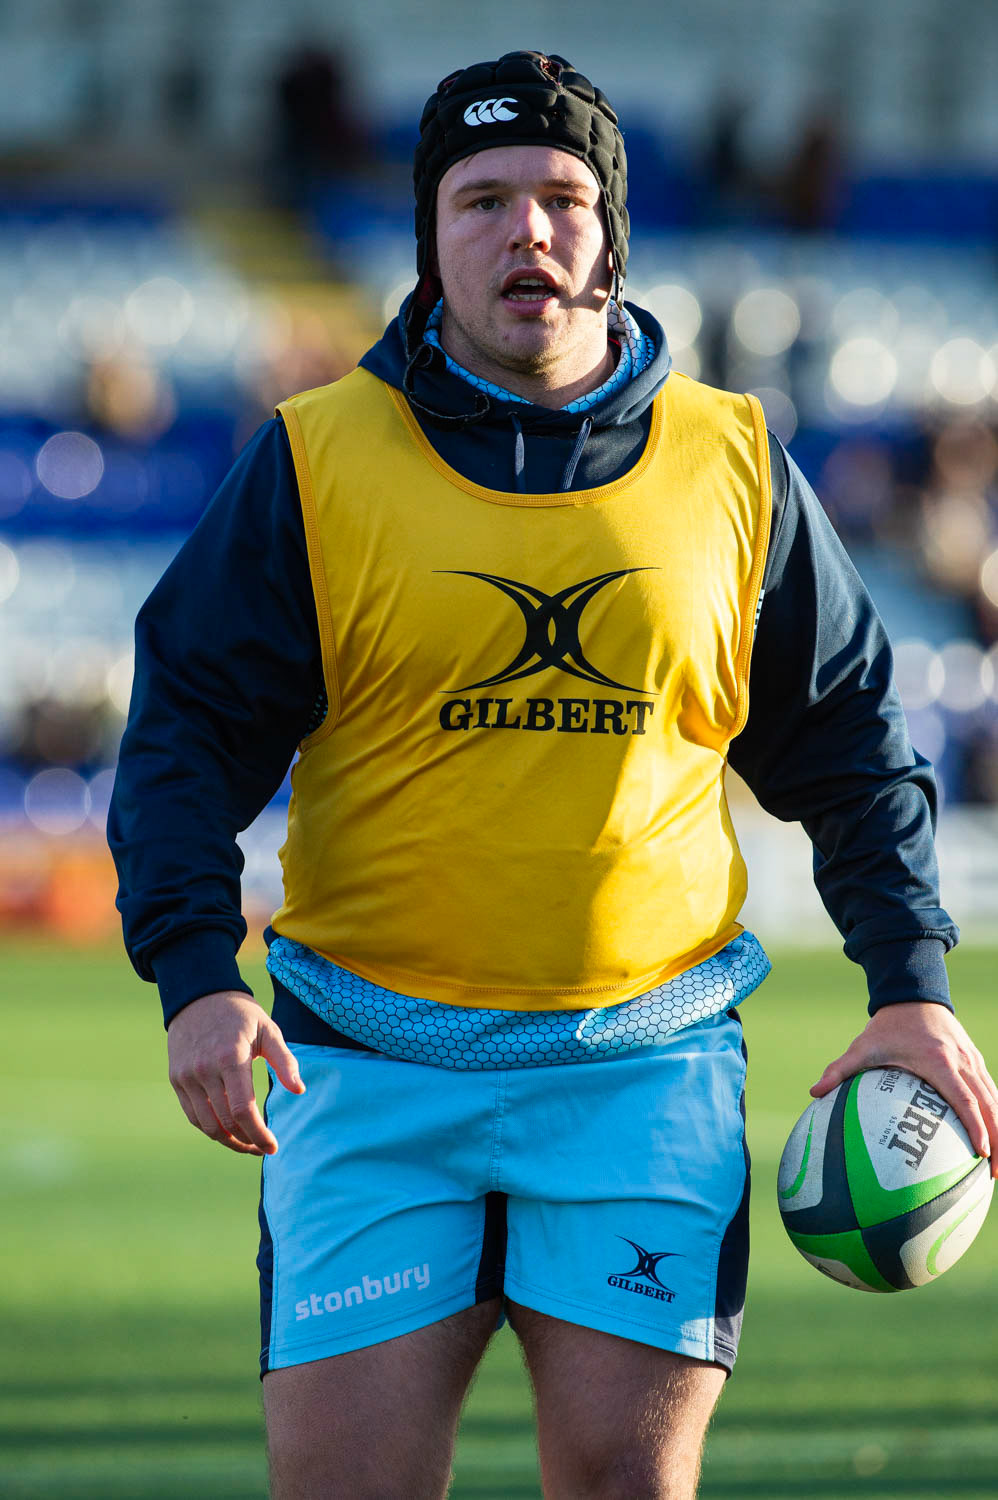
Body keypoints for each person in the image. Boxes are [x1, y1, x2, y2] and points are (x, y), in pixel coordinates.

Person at [109, 50, 998, 1500]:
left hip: (642, 1083)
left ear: (611, 234)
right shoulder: (312, 461)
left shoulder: (737, 463)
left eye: (561, 196)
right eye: (481, 200)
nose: (525, 229)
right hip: (364, 1076)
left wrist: (909, 990)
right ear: (428, 236)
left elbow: (846, 747)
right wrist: (195, 971)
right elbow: (184, 738)